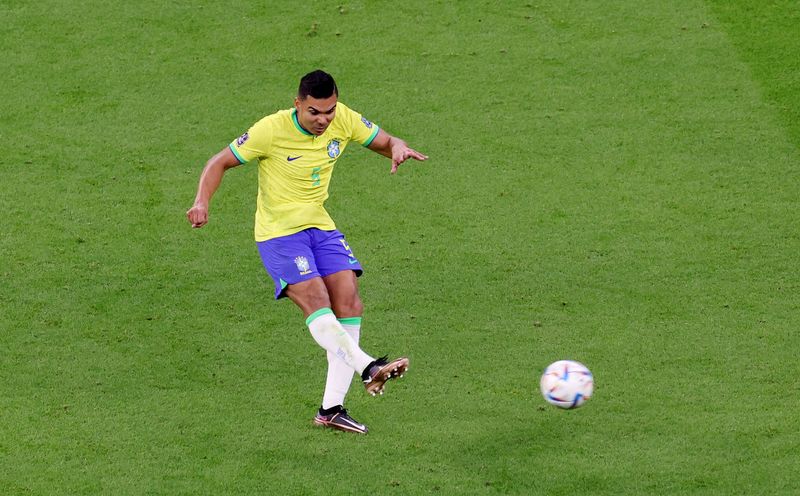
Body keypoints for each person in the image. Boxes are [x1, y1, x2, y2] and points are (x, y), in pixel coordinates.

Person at [186, 70, 428, 434]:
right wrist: (201, 202)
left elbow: (383, 140)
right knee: (317, 300)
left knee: (349, 300)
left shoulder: (342, 118)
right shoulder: (270, 129)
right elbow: (218, 161)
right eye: (315, 112)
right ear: (297, 104)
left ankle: (331, 409)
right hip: (279, 234)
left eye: (329, 111)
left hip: (320, 226)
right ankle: (368, 368)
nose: (324, 120)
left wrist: (396, 146)